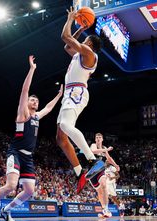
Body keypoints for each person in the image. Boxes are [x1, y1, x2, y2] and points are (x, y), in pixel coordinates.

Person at [0, 55, 63, 221]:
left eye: (37, 100)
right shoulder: (23, 113)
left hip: (28, 157)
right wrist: (32, 69)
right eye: (32, 100)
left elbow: (49, 108)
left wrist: (59, 95)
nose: (35, 101)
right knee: (11, 186)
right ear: (27, 103)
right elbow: (24, 91)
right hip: (15, 153)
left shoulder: (36, 117)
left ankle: (7, 210)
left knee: (29, 191)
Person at [56, 6, 103, 193]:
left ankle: (93, 160)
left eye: (85, 39)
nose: (82, 40)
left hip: (77, 92)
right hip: (70, 93)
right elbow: (68, 45)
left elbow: (65, 38)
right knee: (60, 137)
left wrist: (69, 19)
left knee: (66, 126)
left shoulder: (90, 54)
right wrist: (81, 29)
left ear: (90, 44)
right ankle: (79, 172)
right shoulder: (79, 54)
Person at [88, 133, 120, 218]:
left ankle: (106, 208)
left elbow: (108, 158)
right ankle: (103, 209)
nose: (98, 138)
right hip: (92, 171)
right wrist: (106, 150)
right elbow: (93, 151)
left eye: (100, 137)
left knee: (104, 184)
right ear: (95, 139)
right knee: (99, 191)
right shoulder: (93, 145)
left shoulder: (104, 148)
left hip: (101, 169)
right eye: (97, 137)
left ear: (102, 139)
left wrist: (116, 165)